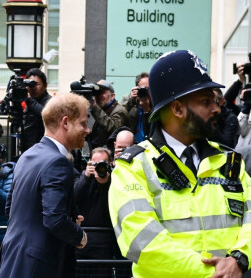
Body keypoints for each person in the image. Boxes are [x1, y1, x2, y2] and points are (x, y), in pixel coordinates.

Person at [109, 50, 251, 278]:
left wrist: (239, 258)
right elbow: (142, 242)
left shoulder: (230, 161)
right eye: (206, 101)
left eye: (215, 100)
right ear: (177, 109)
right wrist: (217, 272)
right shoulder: (133, 168)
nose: (216, 108)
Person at [0, 92, 90, 278]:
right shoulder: (57, 162)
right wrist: (80, 235)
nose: (88, 130)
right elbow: (54, 219)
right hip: (38, 267)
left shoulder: (27, 156)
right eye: (83, 123)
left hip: (14, 261)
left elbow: (10, 209)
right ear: (65, 122)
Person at [74, 147, 114, 275]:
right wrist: (86, 177)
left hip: (104, 240)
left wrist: (105, 183)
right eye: (95, 163)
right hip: (82, 239)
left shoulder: (114, 181)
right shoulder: (83, 178)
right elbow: (73, 197)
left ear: (110, 164)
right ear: (89, 163)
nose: (99, 167)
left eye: (102, 163)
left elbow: (114, 202)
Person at [90, 80, 128, 149]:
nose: (99, 96)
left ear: (112, 96)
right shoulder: (104, 110)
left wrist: (95, 108)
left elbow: (114, 130)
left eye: (103, 92)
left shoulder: (119, 110)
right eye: (97, 93)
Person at [22, 68, 52, 151]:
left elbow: (45, 114)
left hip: (44, 149)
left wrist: (29, 100)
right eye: (30, 84)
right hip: (28, 148)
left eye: (37, 84)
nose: (33, 87)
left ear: (45, 85)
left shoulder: (51, 102)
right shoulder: (29, 102)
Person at [121, 72, 153, 141]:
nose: (146, 92)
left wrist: (147, 110)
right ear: (137, 89)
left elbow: (153, 130)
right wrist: (131, 101)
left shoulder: (157, 104)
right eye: (142, 89)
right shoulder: (131, 102)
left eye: (148, 89)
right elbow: (121, 122)